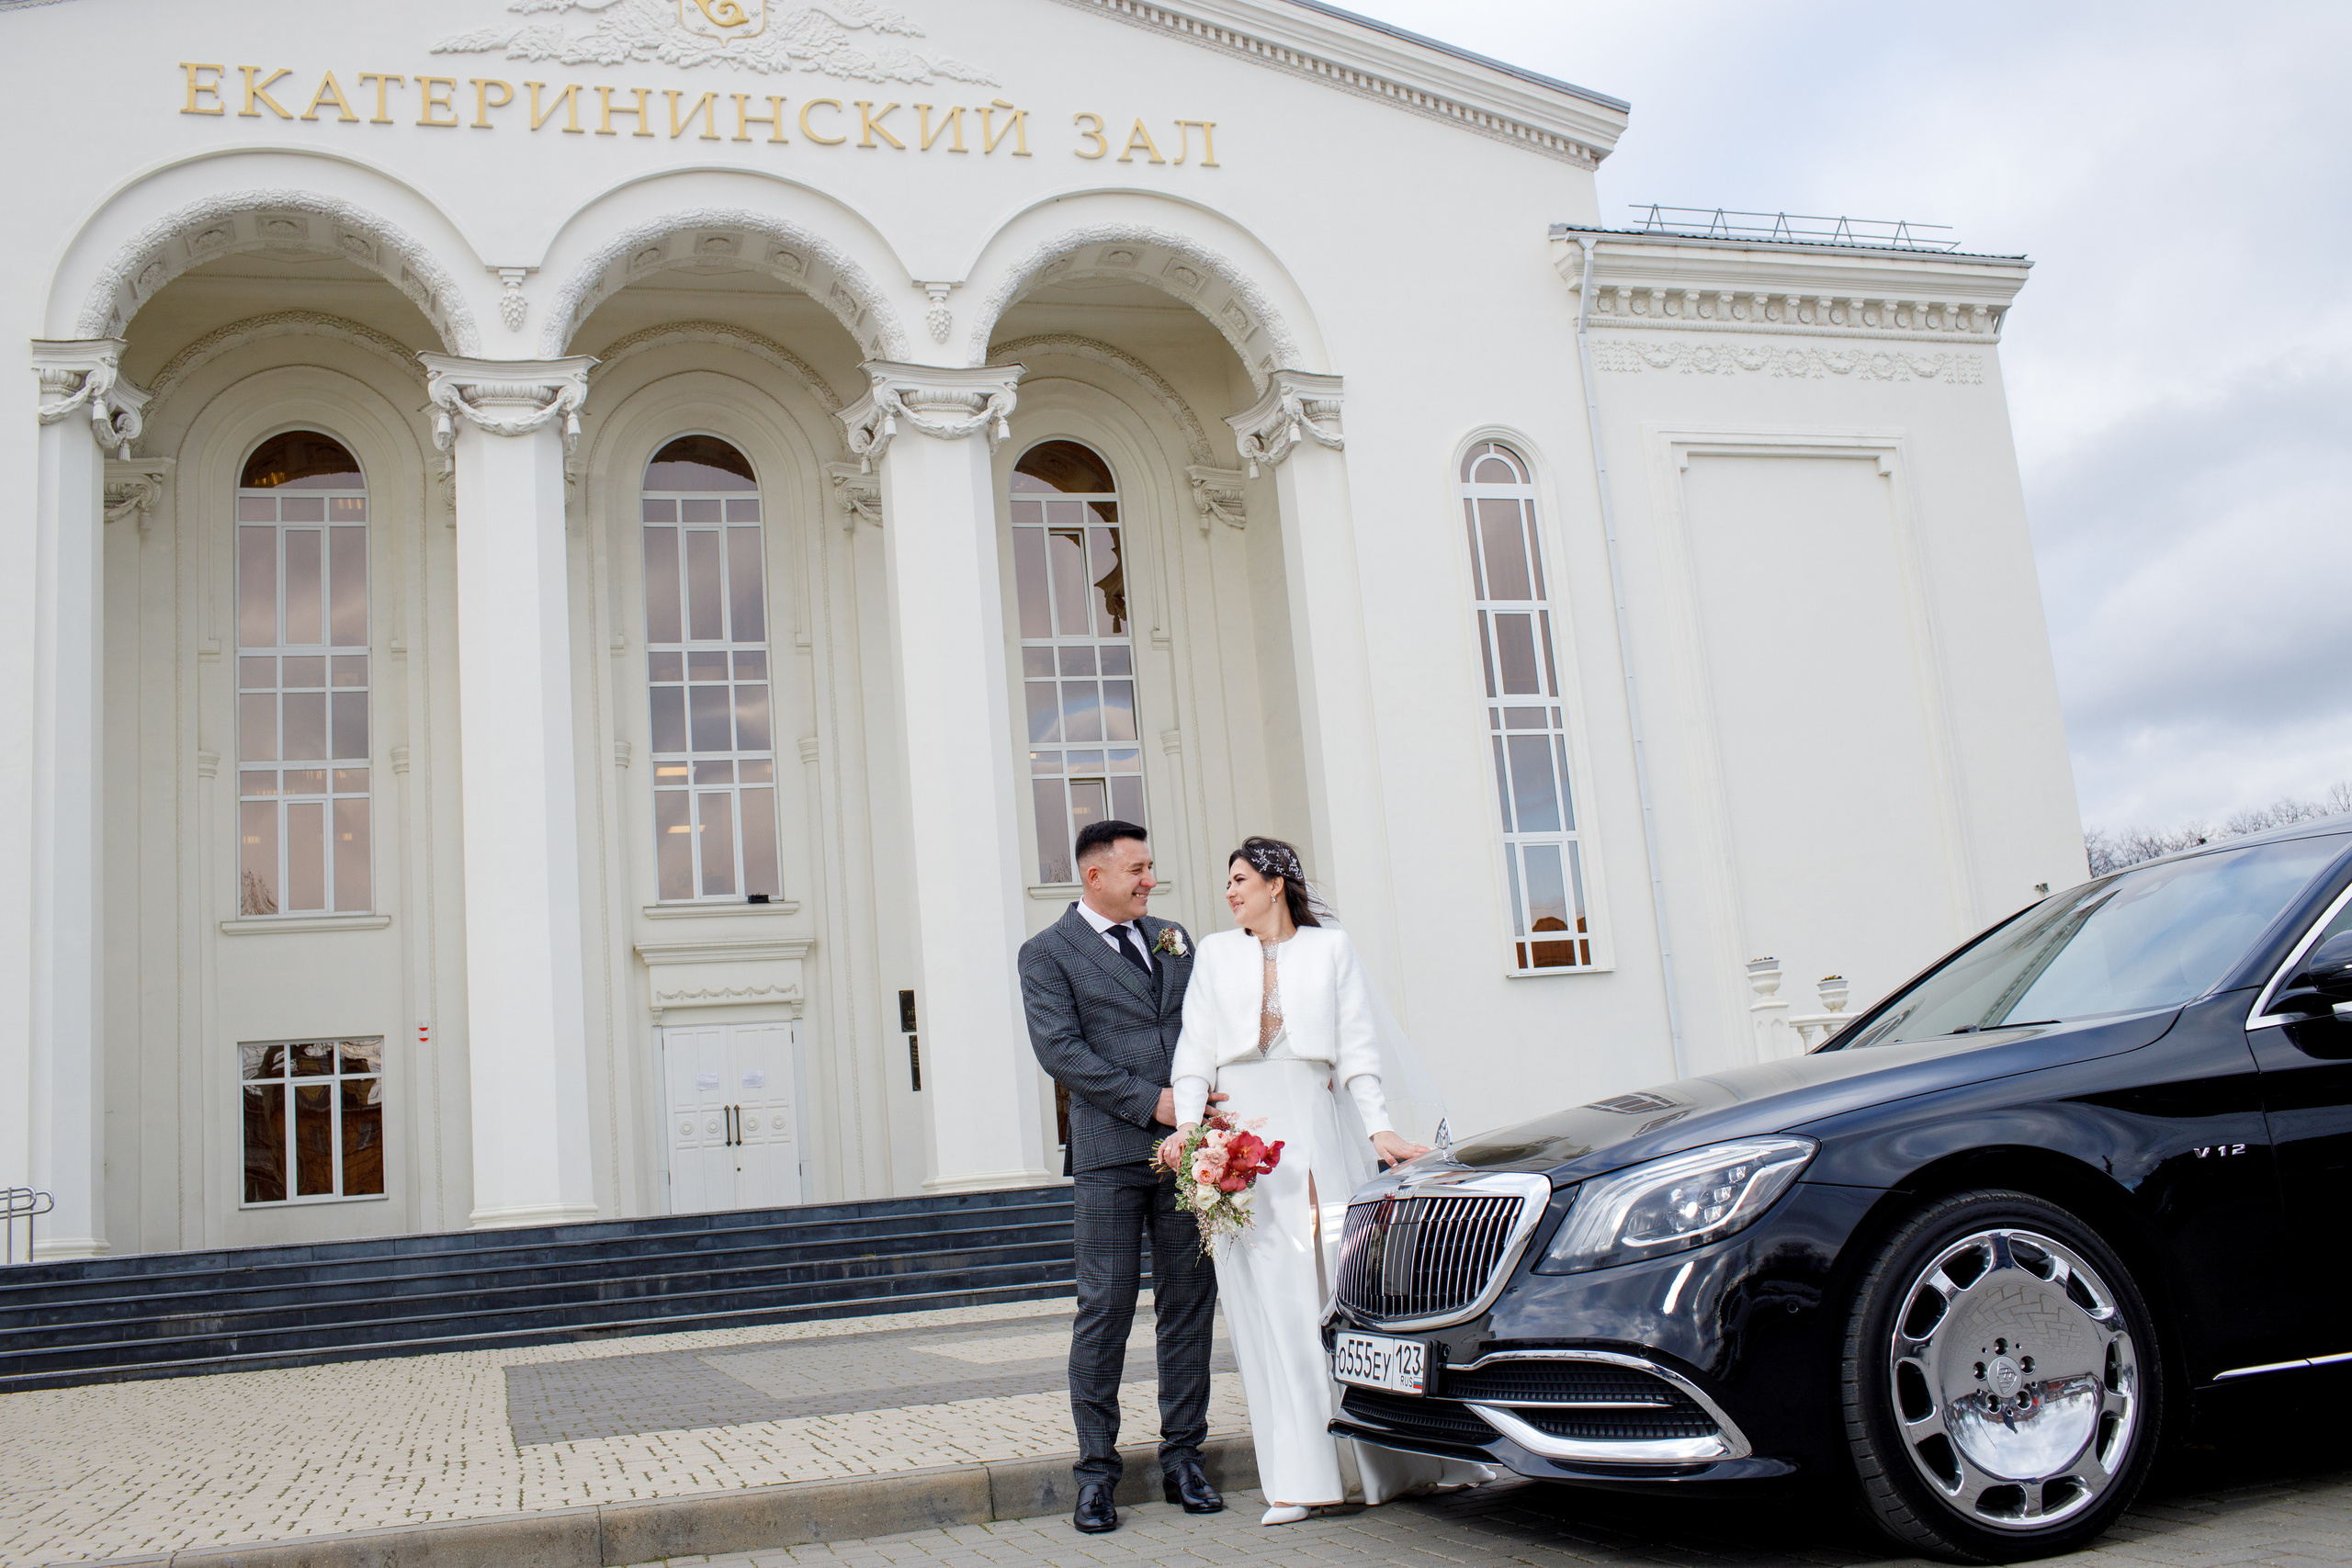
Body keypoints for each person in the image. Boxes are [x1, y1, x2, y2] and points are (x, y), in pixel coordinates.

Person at [1159, 836, 1489, 1525]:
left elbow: (1359, 1051)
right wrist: (1191, 1131)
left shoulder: (1330, 950)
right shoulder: (1217, 954)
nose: (1229, 892)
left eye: (1241, 879)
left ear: (1276, 884)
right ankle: (1301, 1479)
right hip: (1241, 1143)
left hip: (1318, 1130)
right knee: (1270, 1310)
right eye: (1229, 881)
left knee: (1340, 1300)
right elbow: (1193, 1049)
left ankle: (1389, 1465)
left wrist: (1381, 1131)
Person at [1019, 819, 1228, 1536]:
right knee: (1104, 1307)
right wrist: (1153, 1101)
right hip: (1110, 1153)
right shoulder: (1046, 953)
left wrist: (1206, 1100)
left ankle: (1184, 1459)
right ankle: (1096, 1474)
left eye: (1151, 867)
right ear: (1094, 875)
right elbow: (1061, 1052)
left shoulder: (1173, 935)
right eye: (1137, 868)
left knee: (1188, 1303)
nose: (1150, 879)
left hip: (1187, 1152)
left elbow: (1204, 1025)